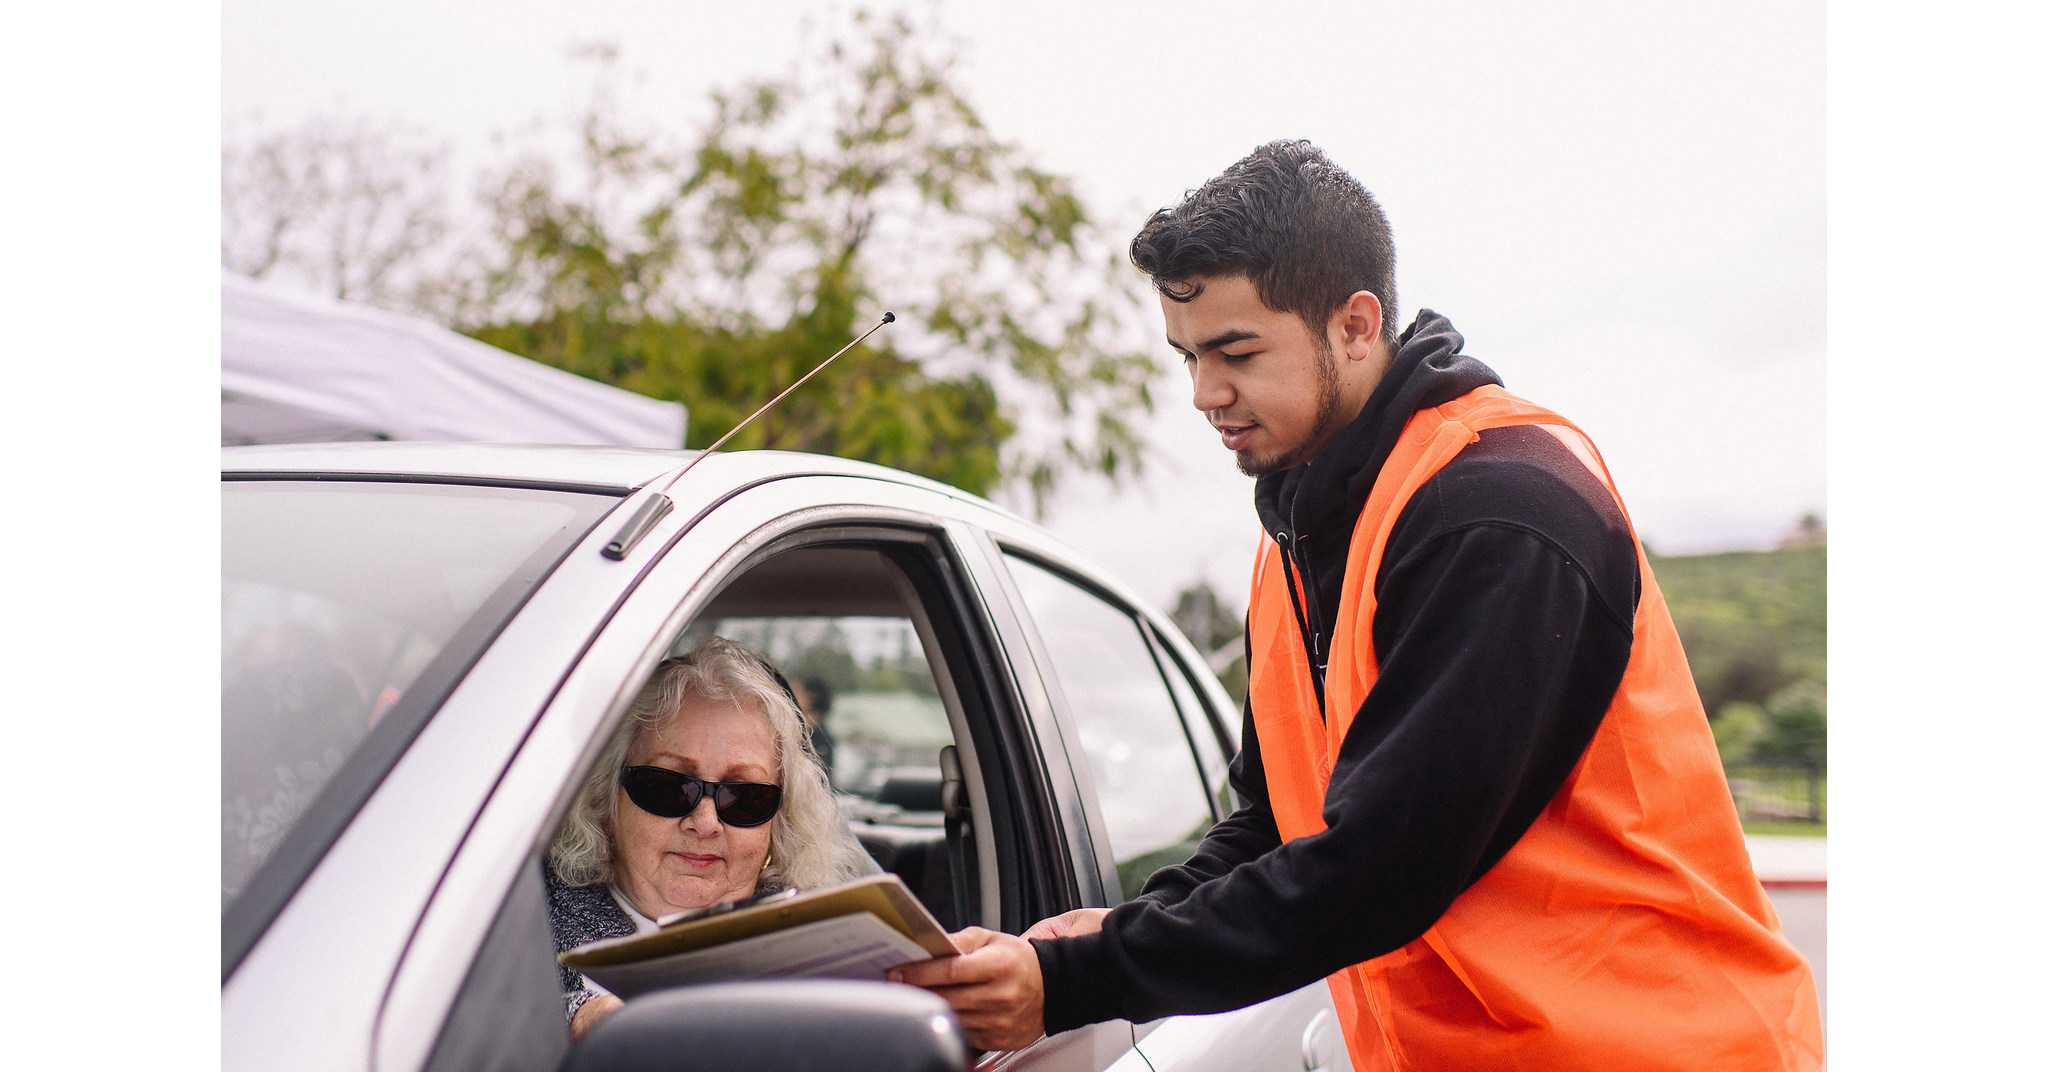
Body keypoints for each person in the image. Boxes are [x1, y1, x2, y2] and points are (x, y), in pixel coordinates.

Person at [895, 141, 1824, 1070]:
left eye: (1236, 352)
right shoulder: (1297, 537)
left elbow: (1380, 870)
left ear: (1354, 324)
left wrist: (1076, 981)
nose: (1204, 394)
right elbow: (1277, 825)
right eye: (1187, 356)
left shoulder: (1500, 513)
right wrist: (1114, 932)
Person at [546, 635, 874, 1041]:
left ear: (779, 827)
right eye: (669, 787)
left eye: (744, 797)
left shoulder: (837, 952)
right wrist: (581, 1022)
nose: (705, 822)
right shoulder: (517, 925)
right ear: (605, 802)